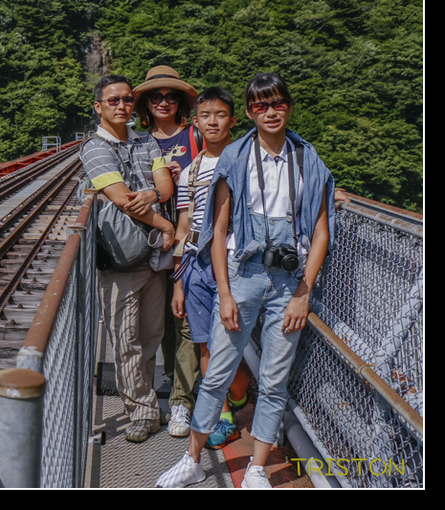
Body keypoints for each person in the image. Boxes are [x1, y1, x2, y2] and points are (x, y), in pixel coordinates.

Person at [157, 73, 335, 488]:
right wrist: (224, 292)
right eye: (260, 106)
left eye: (277, 104)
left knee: (274, 378)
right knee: (217, 372)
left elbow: (321, 231)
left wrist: (303, 293)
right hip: (242, 274)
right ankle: (193, 459)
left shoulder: (308, 159)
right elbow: (218, 231)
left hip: (290, 281)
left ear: (289, 107)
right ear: (250, 112)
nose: (270, 113)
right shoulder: (235, 158)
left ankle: (256, 467)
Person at [81, 75, 175, 442]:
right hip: (121, 258)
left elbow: (164, 185)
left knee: (151, 333)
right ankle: (140, 411)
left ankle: (147, 405)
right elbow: (121, 198)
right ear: (99, 107)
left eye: (127, 100)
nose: (122, 106)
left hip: (151, 255)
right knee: (125, 338)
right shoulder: (94, 147)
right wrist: (167, 225)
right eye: (113, 101)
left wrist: (151, 195)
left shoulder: (146, 139)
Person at [167, 88, 251, 445]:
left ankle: (239, 395)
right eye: (205, 116)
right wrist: (178, 281)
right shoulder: (190, 172)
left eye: (220, 115)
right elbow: (184, 227)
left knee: (228, 346)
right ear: (196, 122)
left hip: (235, 262)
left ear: (233, 120)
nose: (212, 122)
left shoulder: (248, 159)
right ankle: (223, 415)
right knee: (204, 346)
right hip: (196, 264)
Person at [132, 66, 202, 423]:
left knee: (184, 319)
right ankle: (161, 393)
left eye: (170, 96)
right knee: (155, 323)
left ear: (180, 102)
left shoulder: (196, 136)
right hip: (149, 242)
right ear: (145, 102)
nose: (163, 102)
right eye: (155, 97)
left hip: (189, 240)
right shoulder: (136, 140)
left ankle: (181, 401)